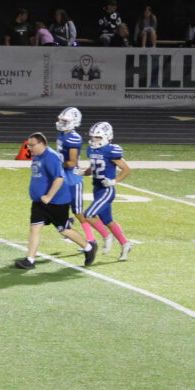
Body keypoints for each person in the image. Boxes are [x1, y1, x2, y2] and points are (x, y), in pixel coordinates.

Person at [14, 133, 97, 269]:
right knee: (35, 228)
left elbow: (59, 178)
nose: (30, 148)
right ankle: (29, 260)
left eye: (32, 145)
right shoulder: (38, 156)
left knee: (64, 230)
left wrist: (48, 196)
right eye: (29, 146)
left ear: (41, 143)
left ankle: (88, 247)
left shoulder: (51, 157)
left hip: (56, 202)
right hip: (39, 202)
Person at [81, 121, 134, 260]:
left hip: (107, 190)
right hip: (97, 189)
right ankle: (125, 244)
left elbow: (127, 170)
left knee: (88, 214)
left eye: (98, 137)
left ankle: (106, 236)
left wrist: (114, 181)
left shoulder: (111, 150)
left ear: (107, 137)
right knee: (108, 220)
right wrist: (83, 172)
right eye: (93, 137)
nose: (94, 140)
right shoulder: (91, 149)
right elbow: (94, 168)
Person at [55, 107, 95, 246]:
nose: (61, 122)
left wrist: (55, 164)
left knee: (77, 211)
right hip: (62, 177)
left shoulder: (73, 138)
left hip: (72, 179)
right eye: (61, 119)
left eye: (65, 120)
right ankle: (67, 225)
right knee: (58, 205)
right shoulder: (62, 134)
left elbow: (72, 162)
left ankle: (90, 238)